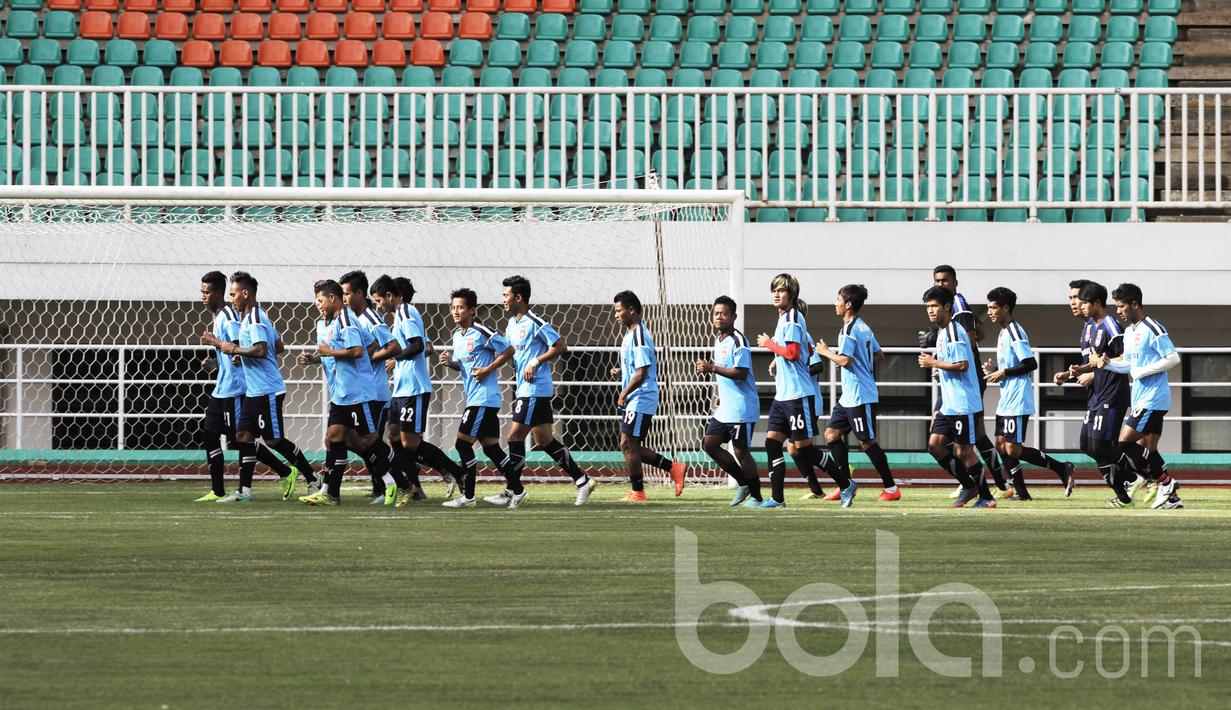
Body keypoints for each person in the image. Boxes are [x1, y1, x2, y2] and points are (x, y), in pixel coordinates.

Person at [195, 272, 314, 502]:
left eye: (207, 292)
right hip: (228, 388)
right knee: (220, 436)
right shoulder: (238, 317)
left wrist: (224, 347)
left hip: (239, 389)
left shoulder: (233, 317)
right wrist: (216, 361)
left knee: (253, 440)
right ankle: (224, 490)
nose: (203, 296)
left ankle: (296, 474)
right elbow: (270, 346)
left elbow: (244, 349)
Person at [756, 274, 855, 508]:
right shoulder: (783, 318)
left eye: (781, 290)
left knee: (804, 451)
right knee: (772, 444)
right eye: (774, 290)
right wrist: (775, 358)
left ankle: (845, 484)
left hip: (798, 396)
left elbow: (791, 353)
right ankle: (777, 498)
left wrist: (768, 344)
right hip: (783, 396)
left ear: (792, 294)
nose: (776, 294)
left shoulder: (792, 318)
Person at [500, 275, 596, 507]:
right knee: (544, 439)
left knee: (514, 437)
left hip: (534, 389)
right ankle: (583, 480)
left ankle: (514, 490)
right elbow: (508, 352)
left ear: (518, 297)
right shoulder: (512, 324)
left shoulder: (534, 321)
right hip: (525, 389)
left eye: (506, 295)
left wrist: (536, 361)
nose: (503, 299)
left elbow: (560, 344)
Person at [371, 274, 468, 503]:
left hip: (414, 387)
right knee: (394, 438)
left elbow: (419, 345)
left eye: (378, 300)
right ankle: (415, 488)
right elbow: (424, 346)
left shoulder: (405, 313)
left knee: (410, 442)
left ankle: (455, 471)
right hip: (401, 388)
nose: (378, 305)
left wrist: (396, 357)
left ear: (390, 295)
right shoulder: (400, 316)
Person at [298, 280, 395, 506]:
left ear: (333, 298)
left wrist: (331, 352)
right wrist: (316, 358)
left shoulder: (346, 319)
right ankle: (330, 493)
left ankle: (395, 482)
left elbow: (357, 350)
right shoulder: (333, 323)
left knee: (369, 440)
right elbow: (369, 344)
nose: (318, 305)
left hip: (357, 393)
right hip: (341, 393)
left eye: (320, 301)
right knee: (333, 439)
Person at [983, 287, 1075, 500]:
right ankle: (1022, 493)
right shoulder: (1003, 332)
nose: (989, 312)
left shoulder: (1015, 331)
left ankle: (1062, 468)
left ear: (1006, 308)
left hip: (1017, 398)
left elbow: (1030, 363)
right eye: (988, 308)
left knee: (1013, 449)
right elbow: (1014, 364)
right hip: (1006, 398)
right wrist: (995, 368)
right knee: (1000, 445)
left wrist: (1003, 371)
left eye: (993, 308)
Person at [438, 288, 521, 509]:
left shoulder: (481, 330)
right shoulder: (457, 335)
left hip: (483, 399)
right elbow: (465, 366)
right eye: (454, 307)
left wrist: (488, 369)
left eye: (461, 307)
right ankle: (518, 490)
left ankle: (468, 496)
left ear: (472, 310)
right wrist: (451, 363)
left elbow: (509, 350)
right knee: (491, 448)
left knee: (462, 444)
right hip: (476, 399)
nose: (456, 311)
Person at [815, 284, 900, 501]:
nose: (835, 304)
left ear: (848, 304)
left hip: (861, 395)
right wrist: (855, 361)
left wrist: (826, 352)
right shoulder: (864, 327)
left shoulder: (849, 330)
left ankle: (891, 489)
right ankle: (845, 484)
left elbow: (845, 360)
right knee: (831, 435)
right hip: (849, 396)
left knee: (866, 442)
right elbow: (878, 354)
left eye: (838, 300)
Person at [1103, 283, 1183, 509]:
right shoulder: (1129, 332)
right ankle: (1172, 498)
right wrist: (1106, 364)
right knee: (1146, 447)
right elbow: (1128, 365)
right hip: (1140, 398)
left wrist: (1143, 370)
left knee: (1125, 442)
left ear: (1134, 304)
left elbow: (1173, 358)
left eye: (1121, 306)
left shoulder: (1153, 328)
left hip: (1153, 398)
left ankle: (1164, 482)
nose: (1118, 311)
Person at [918, 286, 995, 509]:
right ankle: (968, 485)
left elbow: (963, 364)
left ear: (947, 307)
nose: (930, 311)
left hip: (963, 403)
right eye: (928, 307)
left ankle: (987, 496)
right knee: (935, 445)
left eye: (934, 306)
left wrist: (934, 363)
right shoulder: (943, 333)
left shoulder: (953, 331)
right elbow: (951, 364)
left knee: (964, 451)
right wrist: (939, 369)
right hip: (949, 403)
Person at [340, 270, 412, 504]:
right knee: (355, 440)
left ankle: (393, 485)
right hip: (361, 392)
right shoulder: (354, 319)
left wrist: (368, 358)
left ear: (360, 294)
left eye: (347, 293)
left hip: (376, 392)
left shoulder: (371, 318)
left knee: (369, 442)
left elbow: (394, 347)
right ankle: (386, 485)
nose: (344, 298)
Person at [932, 265, 1005, 493]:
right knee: (978, 437)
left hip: (963, 381)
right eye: (937, 281)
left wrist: (944, 362)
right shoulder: (958, 306)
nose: (940, 284)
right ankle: (1001, 483)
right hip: (957, 378)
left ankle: (971, 482)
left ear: (955, 282)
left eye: (944, 281)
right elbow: (980, 332)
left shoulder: (957, 308)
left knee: (959, 440)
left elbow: (971, 339)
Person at [612, 290, 687, 502]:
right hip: (637, 395)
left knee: (627, 443)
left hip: (641, 396)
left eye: (619, 310)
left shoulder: (639, 336)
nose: (616, 315)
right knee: (629, 445)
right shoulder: (630, 334)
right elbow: (638, 366)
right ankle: (673, 468)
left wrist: (623, 392)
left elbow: (642, 372)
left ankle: (638, 492)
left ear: (631, 310)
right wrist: (621, 371)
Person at [1071, 282, 1135, 504]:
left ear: (1096, 303)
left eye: (1083, 301)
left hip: (1113, 393)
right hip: (1096, 394)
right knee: (1086, 445)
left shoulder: (1111, 326)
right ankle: (1129, 480)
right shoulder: (1089, 327)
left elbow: (1126, 358)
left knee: (1101, 446)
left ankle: (1131, 481)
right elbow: (1094, 362)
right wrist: (1076, 371)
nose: (1078, 305)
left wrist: (1100, 367)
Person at [695, 296, 763, 507]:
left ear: (733, 316)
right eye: (716, 313)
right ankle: (743, 483)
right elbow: (724, 373)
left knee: (741, 450)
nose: (719, 317)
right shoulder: (719, 339)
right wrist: (717, 395)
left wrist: (711, 367)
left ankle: (757, 496)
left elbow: (741, 373)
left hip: (743, 406)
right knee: (710, 443)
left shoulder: (738, 340)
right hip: (726, 407)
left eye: (724, 313)